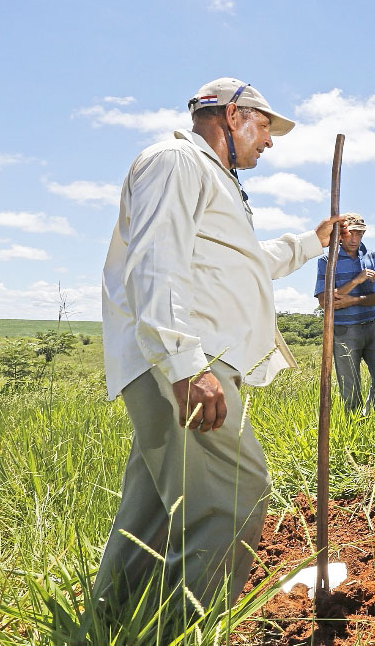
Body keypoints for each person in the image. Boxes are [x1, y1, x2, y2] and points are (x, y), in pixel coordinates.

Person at [96, 78, 341, 614]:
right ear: (232, 116)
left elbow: (243, 263)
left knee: (153, 519)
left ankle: (109, 624)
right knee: (234, 497)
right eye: (264, 126)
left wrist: (312, 241)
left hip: (182, 360)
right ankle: (188, 631)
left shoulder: (215, 179)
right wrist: (187, 363)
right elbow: (156, 262)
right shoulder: (176, 162)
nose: (270, 141)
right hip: (184, 362)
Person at [314, 211, 375, 415]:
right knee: (350, 389)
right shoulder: (326, 261)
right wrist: (356, 281)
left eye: (360, 234)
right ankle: (354, 430)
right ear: (340, 234)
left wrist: (351, 299)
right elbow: (325, 302)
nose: (355, 239)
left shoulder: (374, 257)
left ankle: (370, 421)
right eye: (351, 234)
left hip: (374, 327)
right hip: (344, 331)